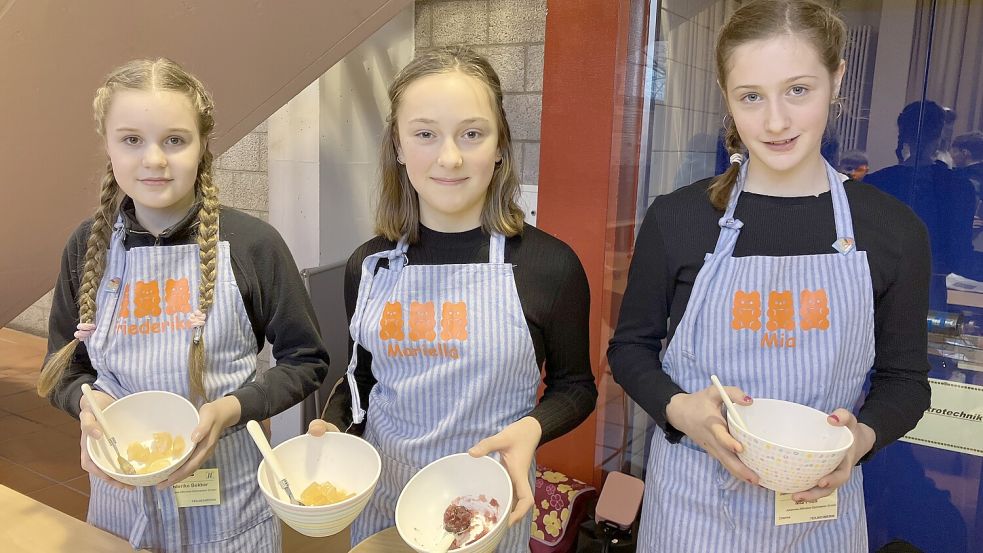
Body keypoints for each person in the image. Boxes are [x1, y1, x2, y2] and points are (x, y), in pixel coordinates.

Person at [607, 1, 931, 551]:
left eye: (798, 90)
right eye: (751, 96)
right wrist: (680, 408)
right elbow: (630, 349)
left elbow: (906, 381)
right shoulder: (680, 218)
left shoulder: (891, 230)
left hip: (819, 515)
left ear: (837, 79)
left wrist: (859, 440)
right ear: (725, 95)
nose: (775, 121)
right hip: (691, 507)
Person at [308, 46, 597, 550]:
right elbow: (362, 377)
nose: (450, 157)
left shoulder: (550, 266)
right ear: (397, 146)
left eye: (472, 133)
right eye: (425, 134)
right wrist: (334, 429)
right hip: (387, 503)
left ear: (500, 145)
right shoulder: (369, 265)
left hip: (492, 509)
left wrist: (533, 429)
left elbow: (575, 387)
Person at [37, 58, 330, 552]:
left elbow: (307, 360)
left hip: (229, 508)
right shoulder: (88, 246)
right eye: (131, 140)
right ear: (107, 145)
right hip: (121, 506)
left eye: (175, 140)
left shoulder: (252, 244)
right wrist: (88, 410)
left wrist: (234, 408)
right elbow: (63, 369)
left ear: (202, 146)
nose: (154, 160)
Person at [865, 101, 977, 307]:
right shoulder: (959, 187)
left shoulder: (876, 182)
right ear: (940, 136)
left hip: (878, 289)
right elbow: (960, 258)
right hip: (929, 291)